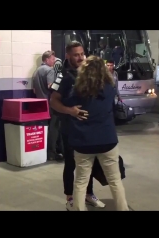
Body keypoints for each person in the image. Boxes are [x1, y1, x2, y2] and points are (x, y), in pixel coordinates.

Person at [63, 55, 129, 211]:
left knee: (80, 181)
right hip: (107, 140)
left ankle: (79, 208)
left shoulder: (78, 90)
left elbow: (67, 104)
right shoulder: (110, 88)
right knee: (115, 180)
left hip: (83, 141)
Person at [50, 41, 105, 211]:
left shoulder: (89, 74)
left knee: (87, 163)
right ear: (68, 56)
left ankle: (88, 194)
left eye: (82, 54)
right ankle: (70, 198)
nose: (80, 57)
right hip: (70, 129)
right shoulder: (64, 76)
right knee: (71, 164)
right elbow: (53, 102)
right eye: (76, 54)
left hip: (88, 129)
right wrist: (70, 111)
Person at [32, 50, 63, 161]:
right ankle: (52, 152)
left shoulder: (36, 71)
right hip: (49, 104)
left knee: (44, 128)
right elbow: (51, 86)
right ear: (47, 59)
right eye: (53, 59)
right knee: (54, 128)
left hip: (39, 105)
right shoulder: (49, 70)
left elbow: (34, 90)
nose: (54, 61)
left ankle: (44, 150)